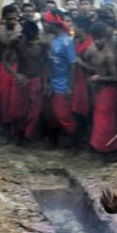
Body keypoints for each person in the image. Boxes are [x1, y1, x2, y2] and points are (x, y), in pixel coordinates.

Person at [82, 22, 117, 159]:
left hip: (108, 90)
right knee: (99, 121)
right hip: (96, 90)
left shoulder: (108, 54)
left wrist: (99, 78)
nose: (98, 41)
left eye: (100, 38)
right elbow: (88, 65)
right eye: (95, 38)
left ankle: (105, 151)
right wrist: (88, 74)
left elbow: (115, 77)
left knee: (105, 122)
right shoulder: (91, 49)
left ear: (105, 37)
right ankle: (104, 149)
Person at [7, 20, 47, 145]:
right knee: (17, 111)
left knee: (34, 112)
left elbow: (45, 64)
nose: (30, 41)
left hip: (37, 80)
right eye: (28, 38)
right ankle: (18, 134)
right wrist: (15, 74)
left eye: (33, 38)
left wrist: (45, 82)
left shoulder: (42, 44)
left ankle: (27, 135)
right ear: (23, 35)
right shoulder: (16, 41)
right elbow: (5, 60)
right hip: (22, 80)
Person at [44, 9, 77, 144]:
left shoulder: (67, 42)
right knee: (52, 114)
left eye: (46, 22)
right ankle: (54, 141)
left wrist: (70, 86)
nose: (45, 25)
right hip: (53, 82)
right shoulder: (54, 40)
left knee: (63, 115)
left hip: (63, 84)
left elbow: (73, 65)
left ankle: (75, 143)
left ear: (53, 24)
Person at [0, 4, 21, 141]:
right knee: (4, 99)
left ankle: (17, 131)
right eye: (9, 19)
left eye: (14, 18)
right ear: (4, 19)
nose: (12, 21)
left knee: (16, 100)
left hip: (18, 66)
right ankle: (7, 132)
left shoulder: (21, 29)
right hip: (4, 67)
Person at [72, 15, 93, 138]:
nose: (73, 28)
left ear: (82, 28)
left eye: (75, 26)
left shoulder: (90, 44)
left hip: (85, 82)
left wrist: (81, 63)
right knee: (77, 111)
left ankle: (83, 140)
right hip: (77, 80)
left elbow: (94, 68)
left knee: (83, 113)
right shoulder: (79, 41)